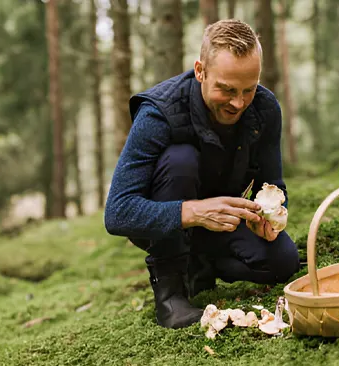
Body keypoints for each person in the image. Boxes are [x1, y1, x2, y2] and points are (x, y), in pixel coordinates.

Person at [104, 19, 300, 329]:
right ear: (200, 71)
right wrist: (193, 211)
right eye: (227, 89)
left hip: (222, 222)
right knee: (180, 159)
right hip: (168, 220)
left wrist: (270, 218)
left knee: (284, 261)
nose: (238, 103)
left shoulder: (264, 109)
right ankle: (171, 294)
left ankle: (199, 267)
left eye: (248, 89)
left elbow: (273, 185)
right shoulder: (158, 112)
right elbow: (117, 213)